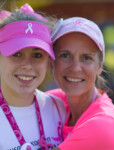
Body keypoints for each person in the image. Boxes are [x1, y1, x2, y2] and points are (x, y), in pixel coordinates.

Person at [46, 17, 114, 150]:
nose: (75, 68)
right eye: (65, 55)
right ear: (52, 62)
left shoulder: (103, 124)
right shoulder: (57, 100)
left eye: (86, 58)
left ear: (99, 66)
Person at [0, 3, 67, 150]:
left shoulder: (60, 109)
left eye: (37, 55)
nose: (27, 65)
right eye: (16, 53)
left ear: (49, 62)